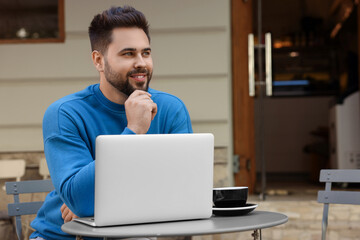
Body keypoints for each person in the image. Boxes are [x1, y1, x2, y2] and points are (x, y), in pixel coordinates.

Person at [30, 5, 192, 240]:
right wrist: (134, 130)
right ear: (99, 60)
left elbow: (184, 194)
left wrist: (99, 206)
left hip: (137, 235)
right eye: (128, 54)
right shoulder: (65, 113)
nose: (141, 63)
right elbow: (81, 198)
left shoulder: (171, 108)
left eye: (145, 53)